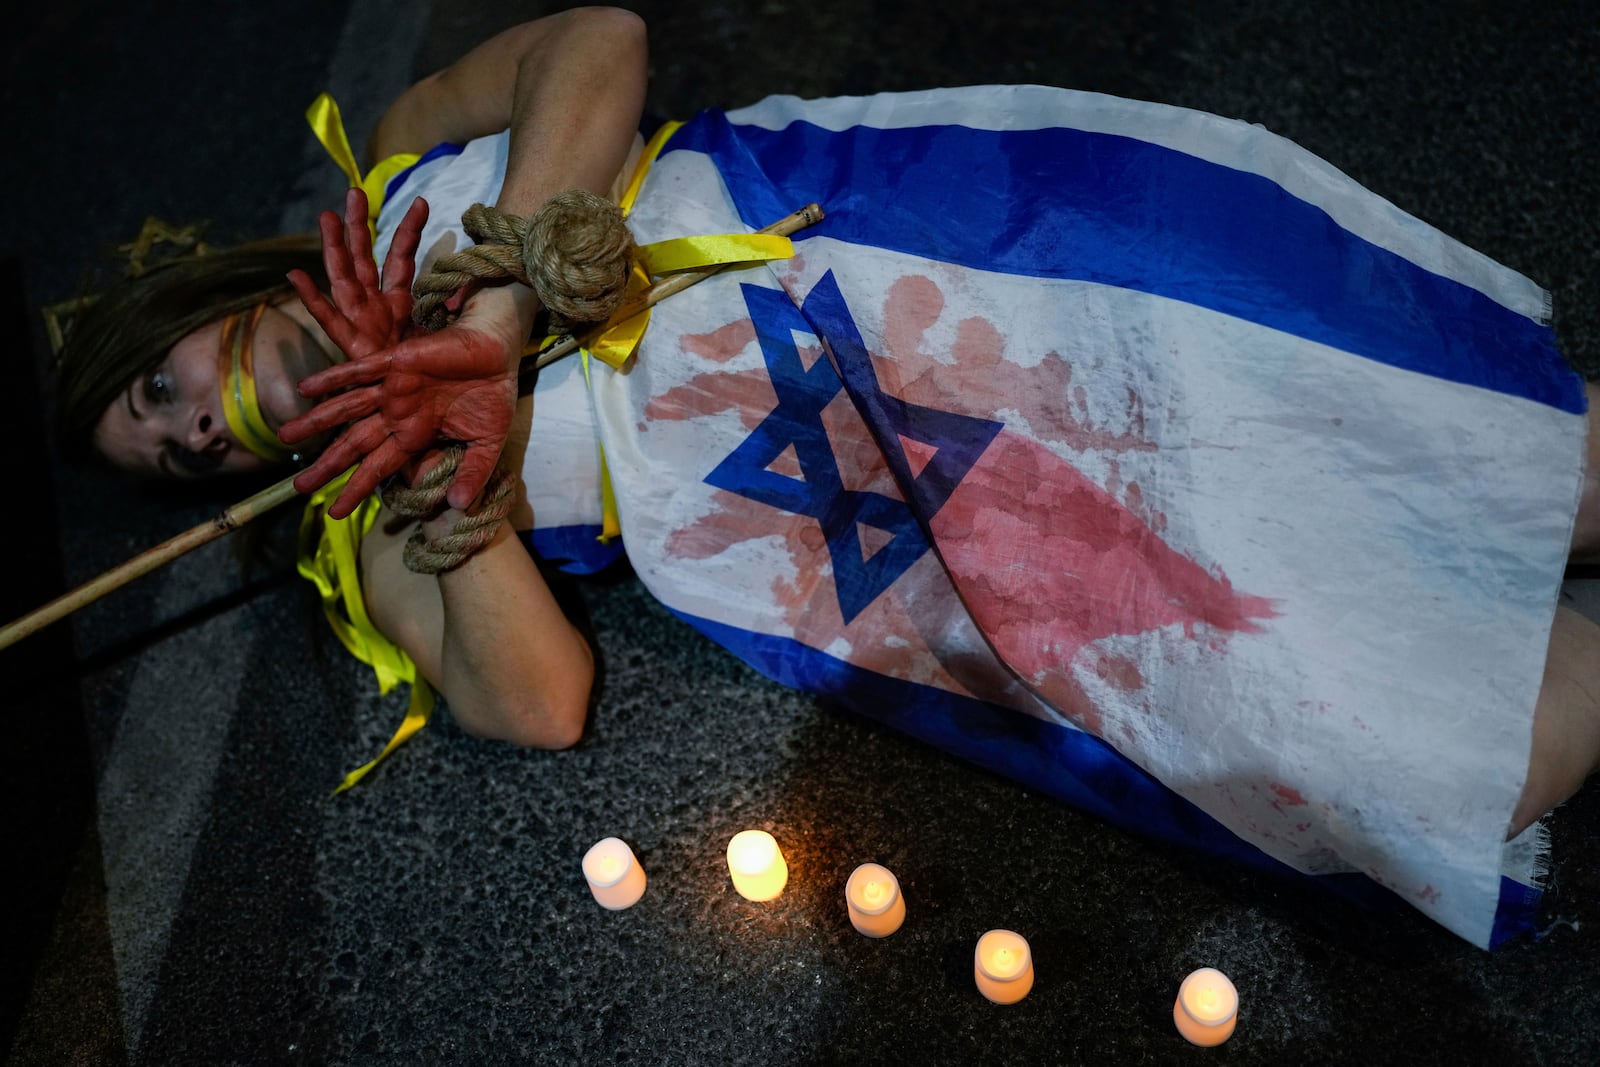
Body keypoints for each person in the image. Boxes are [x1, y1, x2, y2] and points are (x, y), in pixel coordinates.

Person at [54, 7, 1600, 949]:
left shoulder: (396, 156)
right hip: (866, 505)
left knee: (1409, 425)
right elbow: (534, 701)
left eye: (155, 390)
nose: (195, 431)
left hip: (912, 254)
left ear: (183, 309)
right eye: (176, 459)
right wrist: (447, 488)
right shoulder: (369, 531)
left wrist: (497, 309)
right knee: (1368, 728)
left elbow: (595, 46)